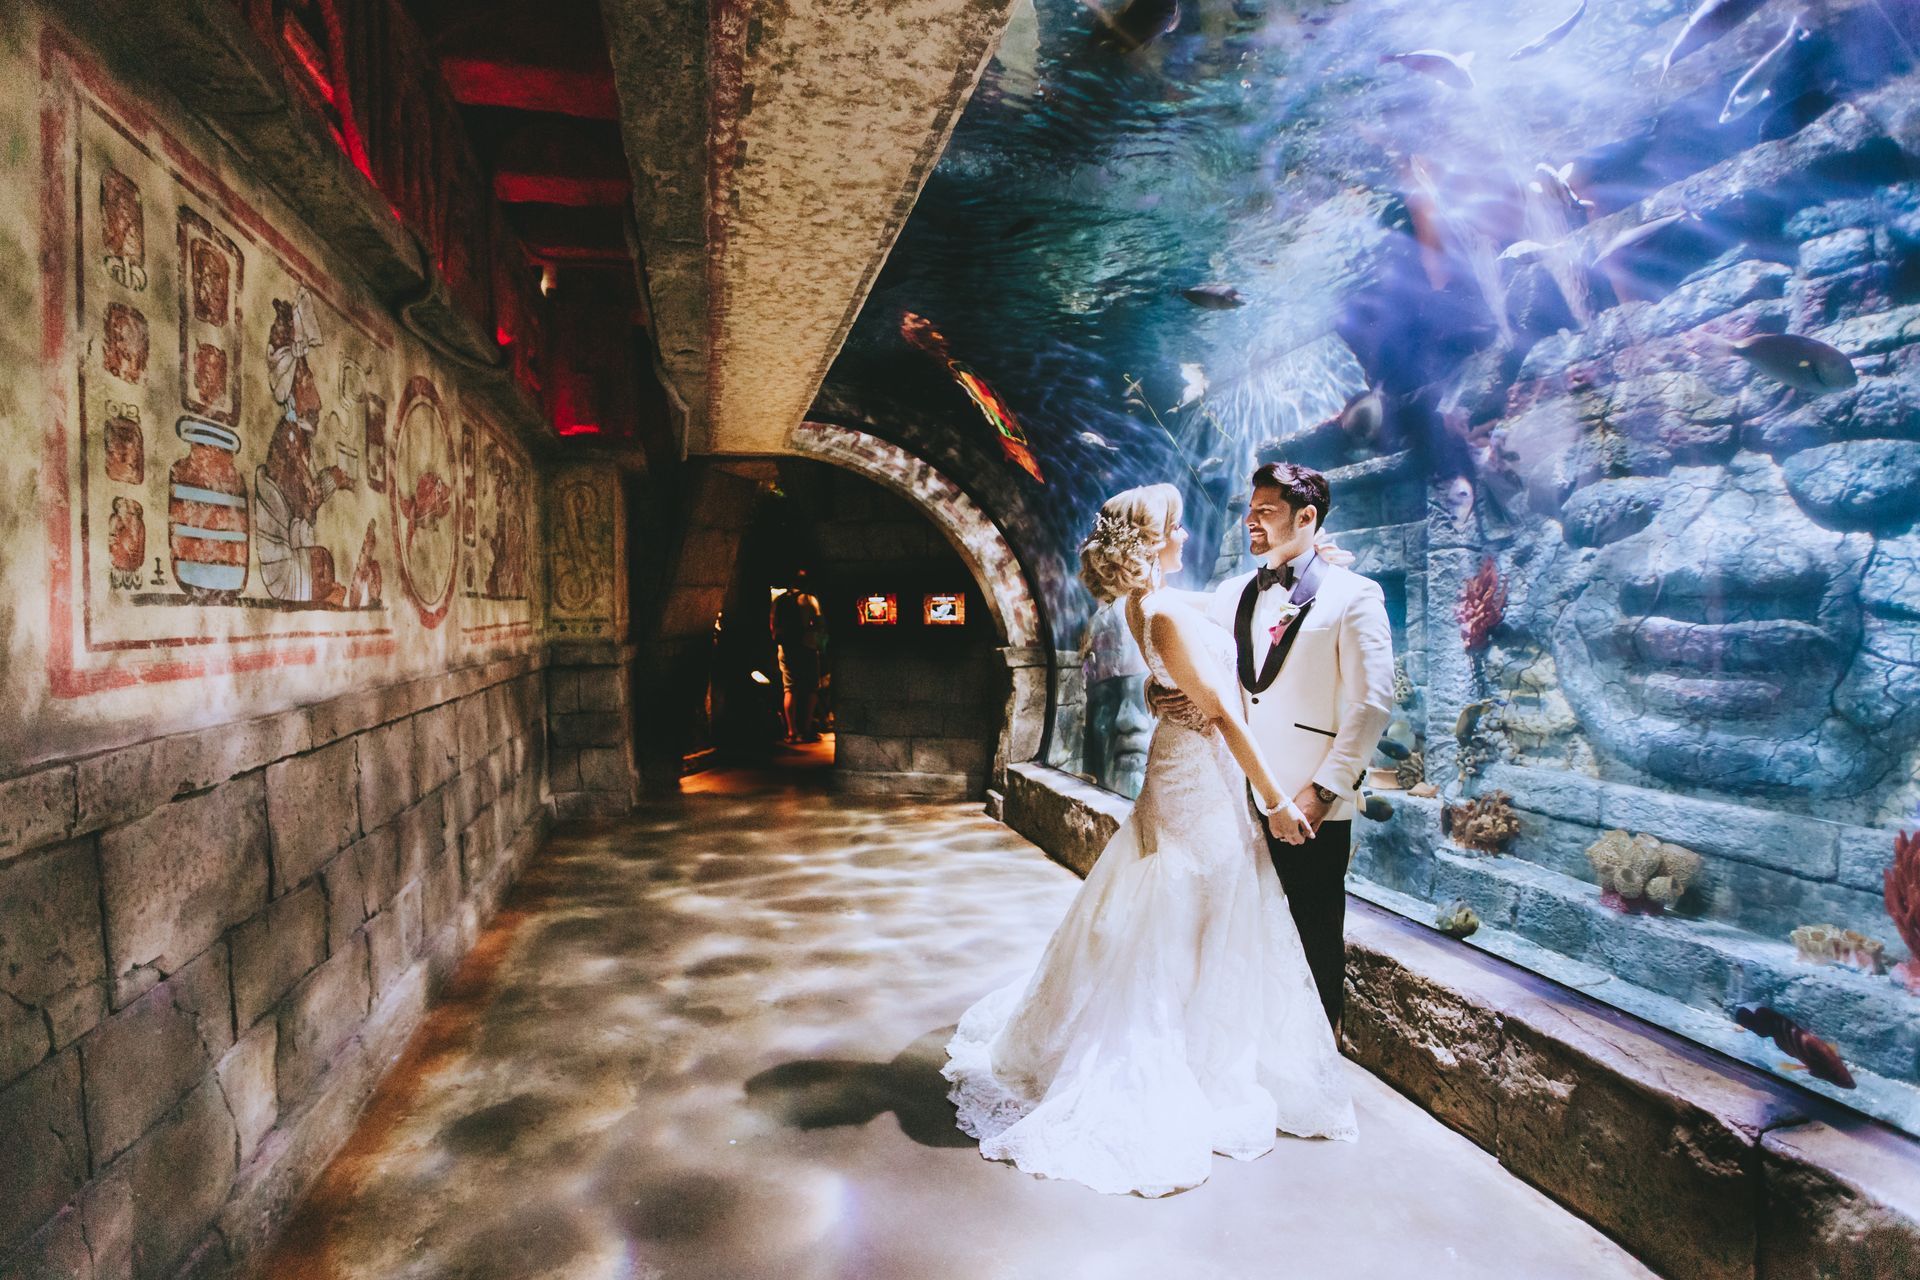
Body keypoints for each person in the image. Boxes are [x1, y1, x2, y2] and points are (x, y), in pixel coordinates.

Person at [943, 484, 1356, 1198]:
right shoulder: (1159, 610)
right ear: (1150, 540)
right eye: (1175, 527)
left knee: (1191, 907)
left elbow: (1224, 608)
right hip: (1196, 779)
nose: (1186, 535)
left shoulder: (1151, 603)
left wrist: (1306, 556)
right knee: (1194, 906)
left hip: (1191, 767)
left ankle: (1196, 1036)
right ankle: (1178, 1050)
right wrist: (1277, 800)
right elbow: (1223, 713)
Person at [1189, 462, 1396, 1033]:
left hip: (1310, 800)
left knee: (1313, 932)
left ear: (1306, 518)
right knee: (1244, 930)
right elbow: (1197, 660)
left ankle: (1320, 1049)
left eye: (1266, 511)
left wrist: (1322, 792)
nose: (1250, 521)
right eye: (1249, 510)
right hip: (1237, 792)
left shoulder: (1355, 595)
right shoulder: (1231, 592)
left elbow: (1372, 704)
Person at [770, 571, 824, 743]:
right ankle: (806, 729)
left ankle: (792, 732)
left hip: (786, 649)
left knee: (790, 689)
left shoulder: (779, 600)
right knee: (811, 688)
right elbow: (819, 624)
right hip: (807, 647)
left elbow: (773, 625)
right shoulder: (809, 600)